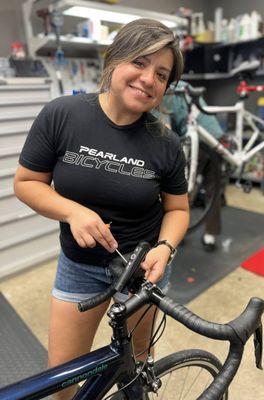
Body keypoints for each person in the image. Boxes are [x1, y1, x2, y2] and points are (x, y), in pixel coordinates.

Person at [14, 18, 189, 400]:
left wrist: (165, 248)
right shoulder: (63, 114)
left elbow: (177, 209)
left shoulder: (167, 144)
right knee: (62, 379)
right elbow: (26, 183)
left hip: (140, 270)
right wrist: (72, 211)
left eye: (162, 74)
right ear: (115, 60)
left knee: (137, 365)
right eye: (140, 63)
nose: (149, 79)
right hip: (79, 266)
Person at [161, 80, 224, 251]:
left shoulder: (164, 91)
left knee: (183, 188)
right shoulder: (184, 84)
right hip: (216, 137)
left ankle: (178, 233)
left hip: (196, 141)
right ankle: (210, 237)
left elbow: (165, 131)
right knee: (213, 189)